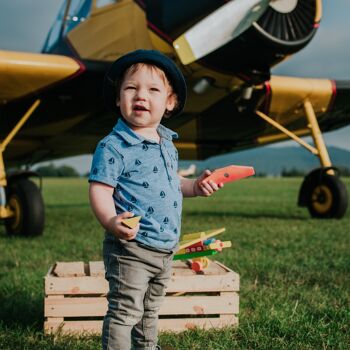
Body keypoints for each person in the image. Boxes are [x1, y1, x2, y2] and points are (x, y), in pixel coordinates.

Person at [89, 49, 223, 350]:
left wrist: (196, 186)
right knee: (125, 311)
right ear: (117, 98)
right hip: (132, 248)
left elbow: (172, 182)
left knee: (149, 310)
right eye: (131, 88)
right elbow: (100, 190)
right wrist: (111, 220)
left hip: (164, 247)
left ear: (169, 102)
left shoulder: (166, 142)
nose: (141, 96)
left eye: (153, 90)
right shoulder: (114, 146)